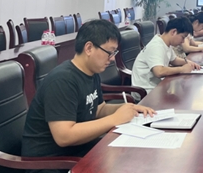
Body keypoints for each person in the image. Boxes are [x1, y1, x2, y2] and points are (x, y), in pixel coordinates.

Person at [22, 20, 155, 171]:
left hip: (77, 151)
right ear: (89, 48)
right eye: (110, 52)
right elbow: (64, 136)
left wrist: (128, 108)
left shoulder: (91, 72)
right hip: (50, 162)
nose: (112, 58)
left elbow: (98, 109)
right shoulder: (62, 80)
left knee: (132, 157)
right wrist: (115, 119)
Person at [132, 17, 202, 93]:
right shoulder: (156, 46)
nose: (183, 41)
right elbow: (159, 72)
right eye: (182, 37)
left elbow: (174, 60)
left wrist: (188, 62)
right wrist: (182, 69)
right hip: (146, 91)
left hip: (157, 87)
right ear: (173, 32)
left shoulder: (165, 42)